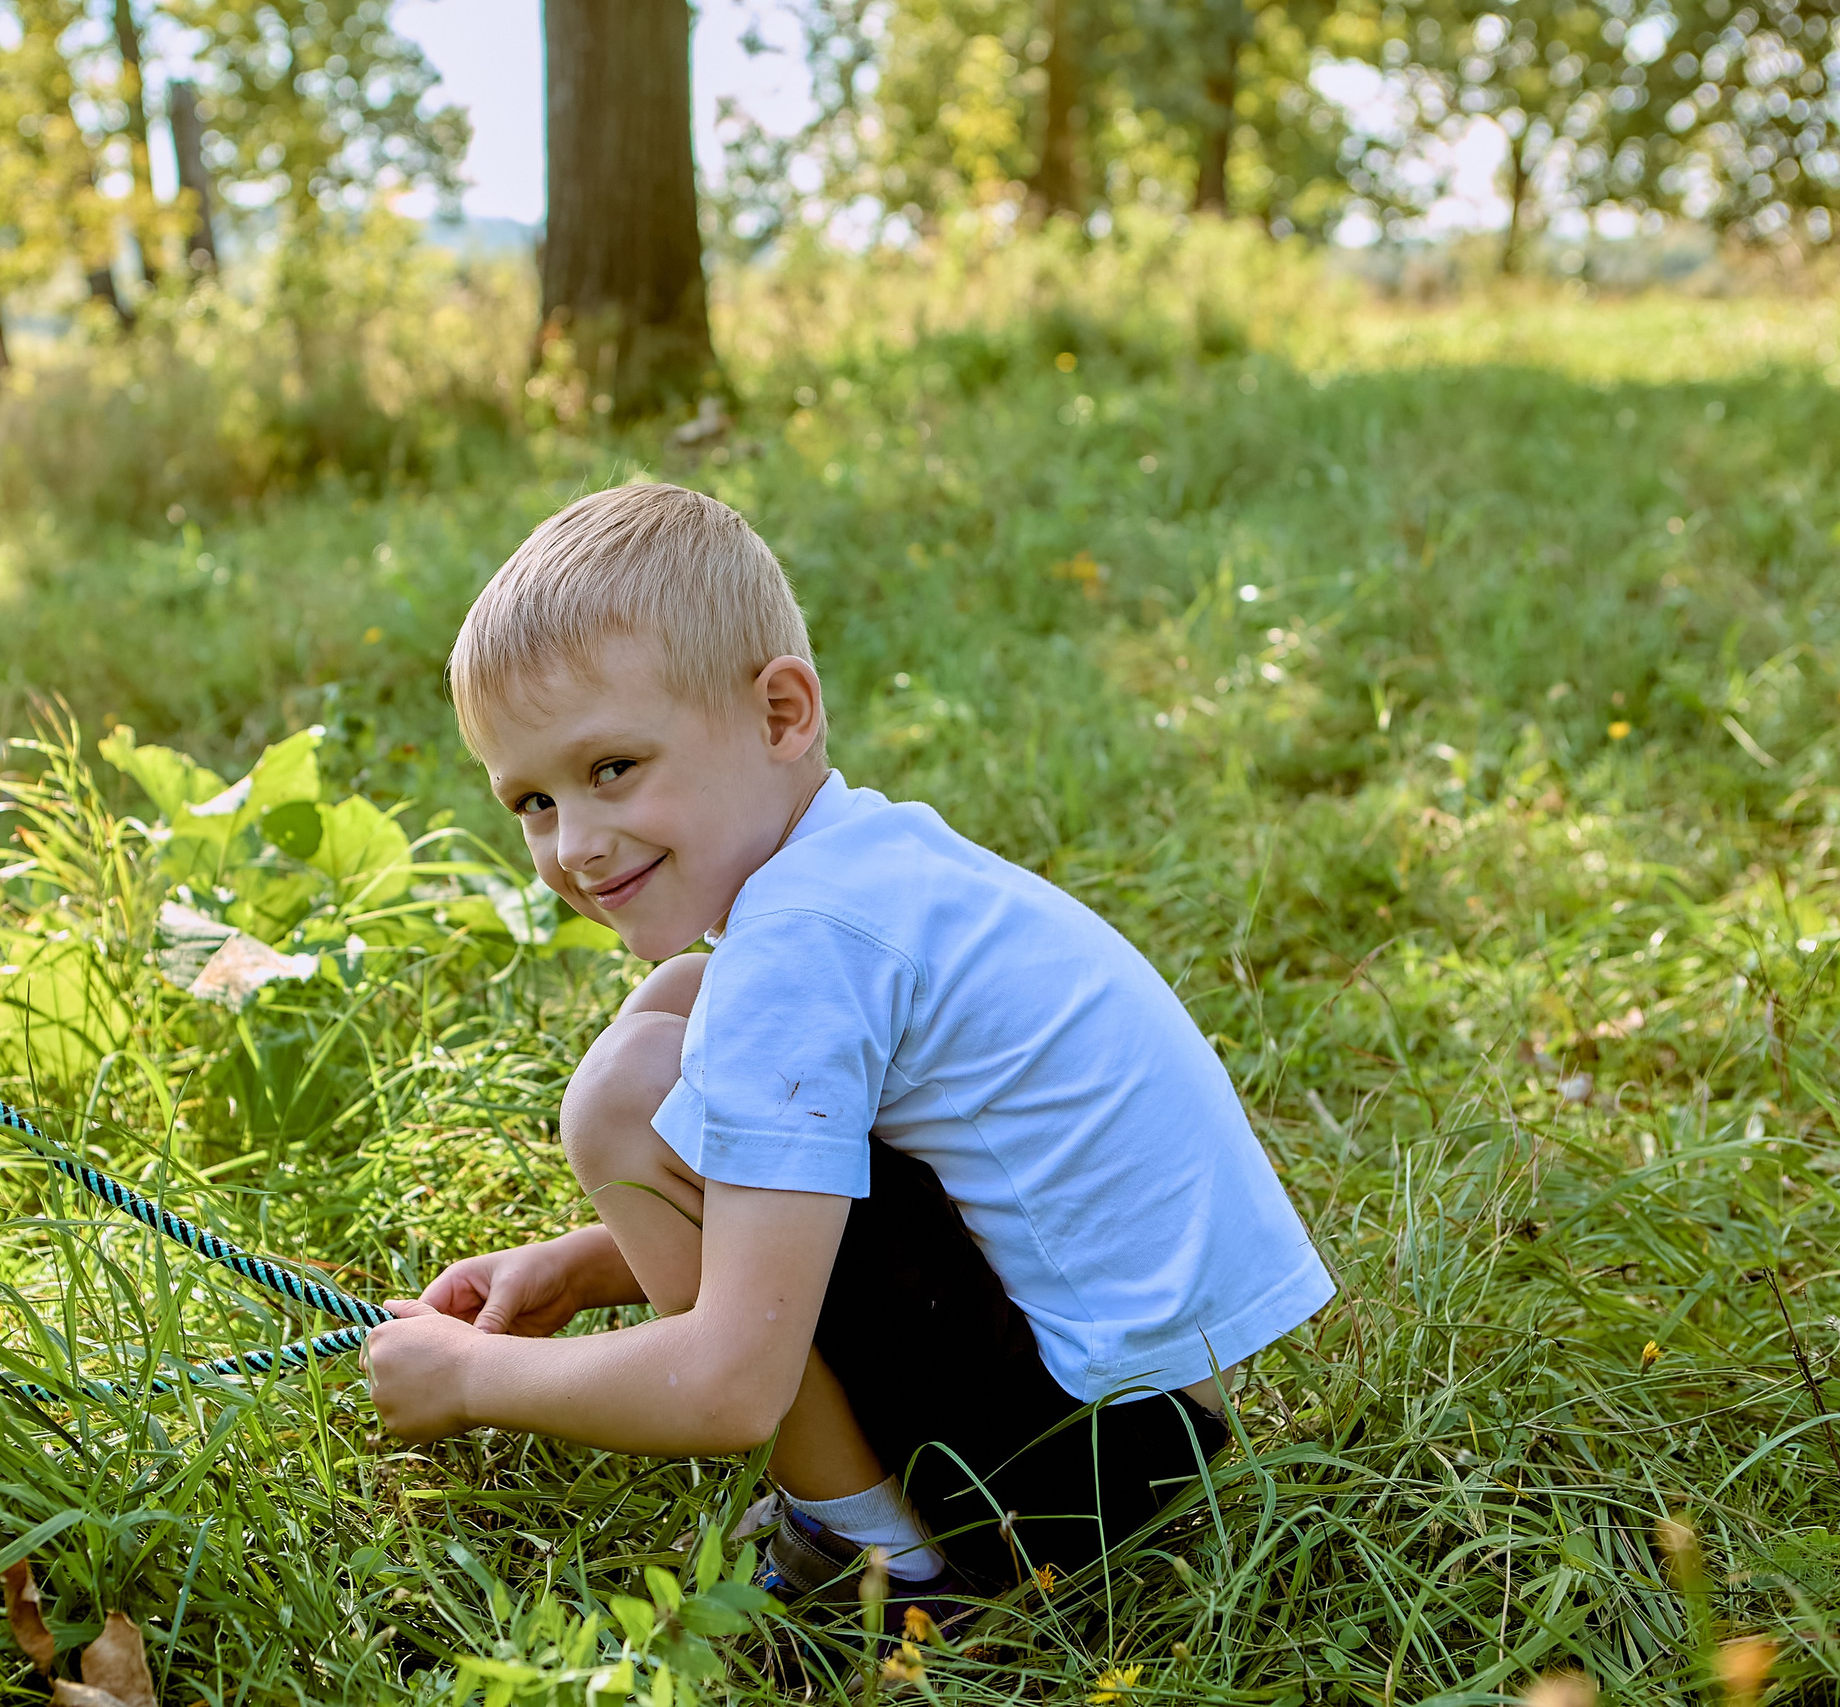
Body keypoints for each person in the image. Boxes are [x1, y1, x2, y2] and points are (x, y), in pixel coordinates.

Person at [362, 481, 1333, 1617]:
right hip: (1154, 1423)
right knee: (680, 1004)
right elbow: (833, 1187)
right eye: (530, 800)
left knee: (626, 1093)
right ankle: (897, 1537)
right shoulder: (863, 872)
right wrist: (577, 1271)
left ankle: (889, 1569)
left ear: (781, 715)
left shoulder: (803, 949)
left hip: (1079, 1483)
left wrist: (473, 1381)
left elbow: (728, 1389)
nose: (573, 843)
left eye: (612, 768)